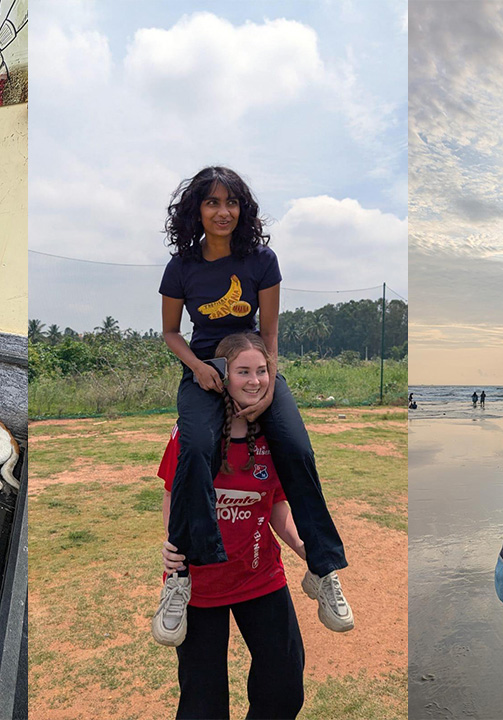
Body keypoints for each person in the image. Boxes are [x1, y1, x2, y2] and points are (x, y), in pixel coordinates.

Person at [155, 166, 350, 645]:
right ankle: (180, 575)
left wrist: (265, 386)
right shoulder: (181, 266)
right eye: (212, 203)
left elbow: (269, 334)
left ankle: (322, 571)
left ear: (244, 209)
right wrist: (200, 369)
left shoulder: (263, 260)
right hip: (205, 371)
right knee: (196, 449)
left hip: (257, 366)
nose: (223, 212)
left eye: (232, 203)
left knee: (298, 451)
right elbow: (170, 332)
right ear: (195, 210)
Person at [158, 333, 306, 719]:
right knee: (202, 703)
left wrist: (305, 547)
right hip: (201, 583)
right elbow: (174, 494)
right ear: (223, 375)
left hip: (260, 576)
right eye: (243, 371)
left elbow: (273, 502)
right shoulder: (194, 437)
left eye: (262, 370)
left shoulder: (276, 435)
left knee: (284, 686)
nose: (254, 380)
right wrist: (174, 545)